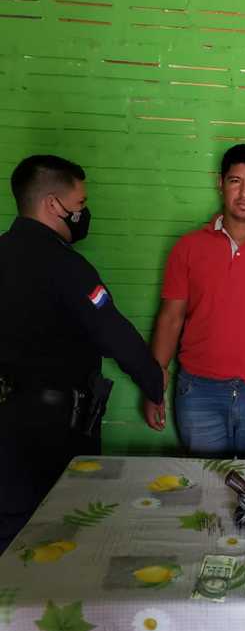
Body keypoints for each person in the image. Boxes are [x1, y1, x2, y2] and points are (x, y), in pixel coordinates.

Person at [0, 155, 165, 553]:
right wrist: (154, 383)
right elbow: (114, 334)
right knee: (62, 532)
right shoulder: (66, 267)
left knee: (8, 533)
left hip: (6, 422)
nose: (83, 213)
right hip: (54, 430)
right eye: (79, 204)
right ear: (53, 205)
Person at [144, 143, 245, 460]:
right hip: (199, 393)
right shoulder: (188, 247)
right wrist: (154, 385)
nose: (244, 193)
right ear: (220, 183)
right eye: (236, 181)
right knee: (205, 482)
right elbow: (170, 319)